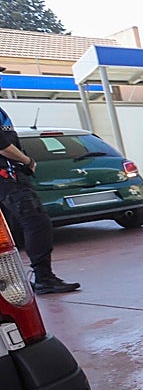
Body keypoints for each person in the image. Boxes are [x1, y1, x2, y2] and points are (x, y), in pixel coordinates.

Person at [0, 106, 80, 294]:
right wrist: (28, 161)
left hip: (10, 177)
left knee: (15, 229)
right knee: (37, 223)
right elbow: (2, 146)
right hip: (8, 178)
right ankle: (44, 278)